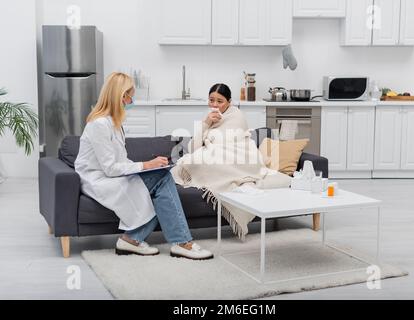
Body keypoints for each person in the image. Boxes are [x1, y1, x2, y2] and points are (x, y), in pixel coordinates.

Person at [74, 72, 213, 260]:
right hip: (100, 180)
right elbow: (110, 168)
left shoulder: (114, 124)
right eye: (131, 95)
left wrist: (150, 167)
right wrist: (146, 165)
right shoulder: (99, 125)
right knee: (163, 180)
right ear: (122, 96)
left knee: (162, 176)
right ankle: (180, 242)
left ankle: (133, 239)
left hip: (112, 175)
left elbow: (121, 161)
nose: (132, 99)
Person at [172, 84, 291, 240]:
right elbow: (193, 147)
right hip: (219, 156)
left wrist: (211, 144)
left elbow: (229, 142)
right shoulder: (209, 117)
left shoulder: (237, 116)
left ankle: (237, 179)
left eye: (219, 101)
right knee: (197, 158)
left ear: (229, 102)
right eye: (211, 100)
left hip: (241, 156)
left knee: (205, 158)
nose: (214, 105)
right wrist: (206, 123)